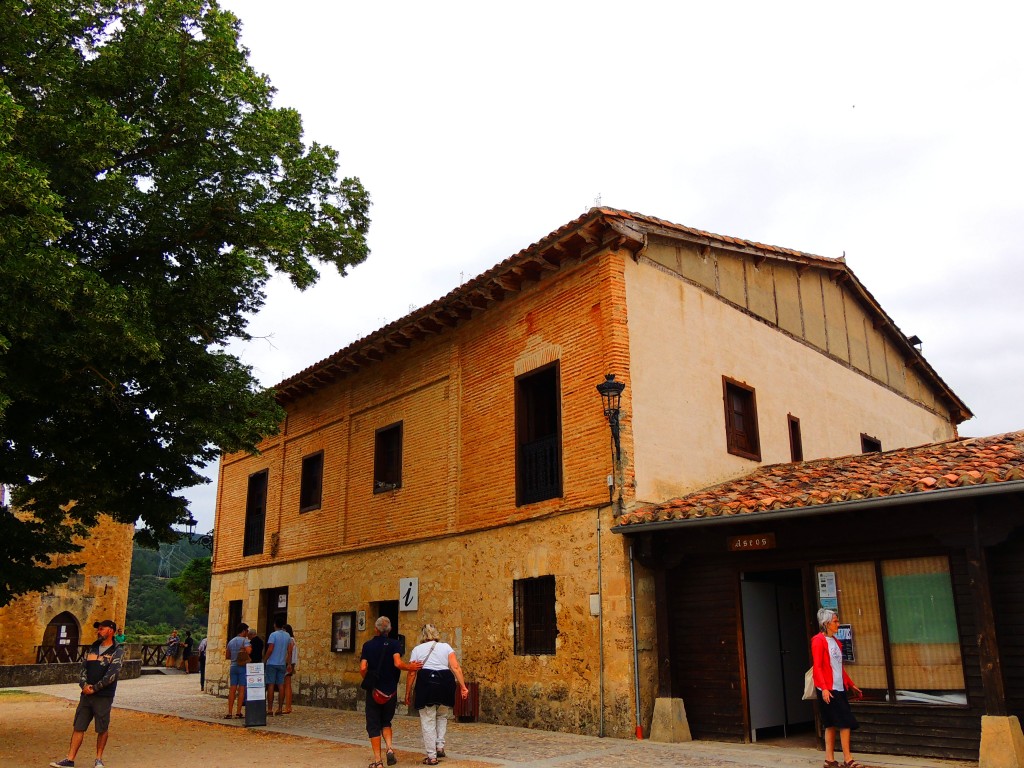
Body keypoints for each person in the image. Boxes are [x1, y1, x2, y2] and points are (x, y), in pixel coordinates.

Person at [49, 619, 125, 768]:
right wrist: (84, 685)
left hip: (103, 696)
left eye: (102, 629)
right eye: (99, 629)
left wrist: (95, 688)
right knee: (79, 725)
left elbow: (112, 674)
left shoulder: (118, 650)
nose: (99, 631)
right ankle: (70, 759)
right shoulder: (93, 648)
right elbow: (83, 669)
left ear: (110, 630)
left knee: (102, 727)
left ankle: (98, 759)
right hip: (86, 695)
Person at [360, 616, 422, 768]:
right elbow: (398, 663)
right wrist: (410, 667)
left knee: (373, 724)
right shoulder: (395, 644)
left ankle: (378, 761)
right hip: (391, 691)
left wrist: (368, 678)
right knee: (386, 721)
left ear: (376, 629)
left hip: (374, 691)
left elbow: (362, 667)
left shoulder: (368, 645)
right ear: (390, 630)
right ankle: (389, 748)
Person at [405, 624, 469, 765]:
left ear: (423, 635)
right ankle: (439, 746)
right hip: (445, 684)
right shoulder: (446, 647)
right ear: (436, 634)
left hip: (426, 684)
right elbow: (455, 667)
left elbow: (411, 673)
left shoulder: (417, 650)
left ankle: (431, 756)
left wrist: (407, 692)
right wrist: (463, 687)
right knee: (442, 715)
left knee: (428, 719)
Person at [811, 608, 864, 768]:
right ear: (826, 624)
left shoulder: (835, 641)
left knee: (832, 723)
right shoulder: (818, 641)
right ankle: (848, 759)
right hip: (828, 689)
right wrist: (824, 688)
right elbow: (817, 667)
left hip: (839, 687)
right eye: (835, 621)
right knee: (844, 722)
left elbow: (838, 667)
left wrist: (850, 683)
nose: (838, 624)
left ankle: (829, 760)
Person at [264, 615, 293, 716]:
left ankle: (270, 709)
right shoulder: (287, 636)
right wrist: (289, 663)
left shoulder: (273, 635)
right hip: (282, 664)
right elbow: (289, 651)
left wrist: (265, 659)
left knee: (271, 685)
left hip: (272, 663)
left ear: (275, 624)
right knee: (281, 685)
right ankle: (280, 708)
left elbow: (270, 648)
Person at [224, 623, 250, 719]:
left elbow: (227, 656)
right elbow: (249, 651)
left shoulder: (231, 641)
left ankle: (229, 712)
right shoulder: (245, 641)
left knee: (232, 689)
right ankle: (238, 712)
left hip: (233, 666)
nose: (247, 632)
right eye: (247, 631)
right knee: (242, 689)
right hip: (242, 667)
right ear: (243, 631)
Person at [282, 623, 298, 714]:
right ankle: (288, 706)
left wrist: (288, 664)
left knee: (287, 685)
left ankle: (288, 707)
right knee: (286, 684)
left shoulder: (290, 640)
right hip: (291, 663)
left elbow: (290, 652)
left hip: (288, 663)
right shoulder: (293, 640)